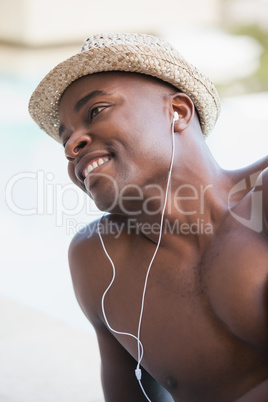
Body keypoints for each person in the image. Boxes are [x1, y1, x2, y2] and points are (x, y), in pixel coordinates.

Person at [29, 33, 268, 401]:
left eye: (95, 111)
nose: (72, 145)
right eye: (65, 140)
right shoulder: (99, 262)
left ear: (178, 112)